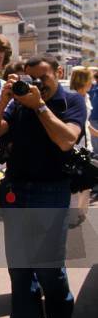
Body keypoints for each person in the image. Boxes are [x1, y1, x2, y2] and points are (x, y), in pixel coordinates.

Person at [0, 55, 85, 318]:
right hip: (17, 190)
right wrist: (4, 101)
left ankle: (60, 317)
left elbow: (66, 140)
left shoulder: (70, 101)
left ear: (59, 73)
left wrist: (40, 106)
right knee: (19, 267)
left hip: (51, 191)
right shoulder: (18, 103)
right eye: (31, 79)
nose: (37, 84)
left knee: (48, 267)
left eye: (44, 78)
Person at [69, 67, 94, 216]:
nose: (92, 82)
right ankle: (73, 216)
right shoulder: (72, 97)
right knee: (75, 183)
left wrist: (95, 133)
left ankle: (81, 213)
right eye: (90, 79)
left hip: (86, 145)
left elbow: (86, 122)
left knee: (86, 181)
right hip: (76, 146)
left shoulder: (87, 97)